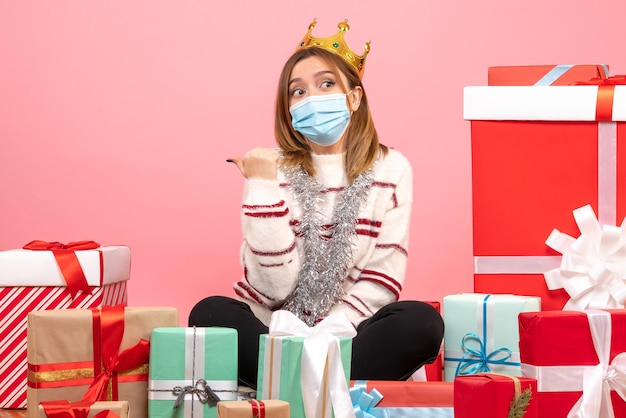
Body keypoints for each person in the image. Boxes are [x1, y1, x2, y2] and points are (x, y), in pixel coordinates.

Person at [189, 19, 444, 389]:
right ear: (289, 108)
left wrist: (332, 332)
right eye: (298, 92)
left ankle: (286, 383)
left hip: (351, 333)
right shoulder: (270, 167)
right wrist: (260, 188)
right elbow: (274, 287)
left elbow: (382, 277)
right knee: (208, 313)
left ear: (354, 97)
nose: (311, 98)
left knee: (422, 322)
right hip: (272, 327)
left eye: (326, 84)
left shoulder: (393, 167)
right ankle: (326, 385)